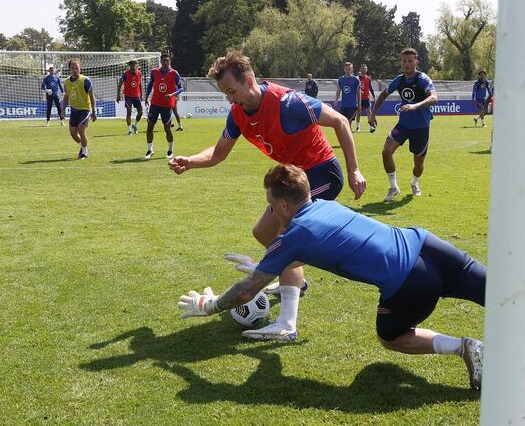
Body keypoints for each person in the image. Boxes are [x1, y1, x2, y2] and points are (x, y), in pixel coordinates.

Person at [177, 164, 525, 390]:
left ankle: (462, 346)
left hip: (411, 281)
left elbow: (247, 290)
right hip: (433, 247)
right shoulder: (322, 205)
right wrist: (270, 264)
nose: (270, 212)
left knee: (391, 338)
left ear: (282, 204)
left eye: (270, 204)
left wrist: (210, 306)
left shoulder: (294, 232)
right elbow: (304, 250)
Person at [169, 50, 366, 341]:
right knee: (263, 232)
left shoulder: (288, 102)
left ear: (248, 80)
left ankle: (287, 324)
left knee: (286, 241)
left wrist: (354, 171)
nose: (230, 99)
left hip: (322, 174)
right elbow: (219, 153)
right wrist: (191, 161)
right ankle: (292, 277)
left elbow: (340, 121)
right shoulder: (238, 114)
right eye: (225, 94)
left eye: (232, 91)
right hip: (291, 181)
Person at [368, 48, 437, 202]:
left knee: (418, 165)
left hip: (421, 127)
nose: (407, 64)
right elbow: (384, 94)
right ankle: (393, 187)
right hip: (404, 125)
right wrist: (372, 114)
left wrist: (415, 106)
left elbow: (434, 98)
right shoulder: (399, 80)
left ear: (416, 62)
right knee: (386, 152)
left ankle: (414, 183)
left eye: (410, 61)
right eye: (404, 61)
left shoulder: (423, 79)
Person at [144, 53, 182, 159]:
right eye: (164, 60)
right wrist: (146, 97)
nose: (165, 62)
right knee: (150, 127)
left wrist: (172, 95)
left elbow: (180, 88)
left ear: (170, 61)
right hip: (155, 104)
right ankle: (149, 150)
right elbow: (150, 84)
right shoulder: (154, 72)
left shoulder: (174, 73)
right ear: (161, 61)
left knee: (167, 128)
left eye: (167, 60)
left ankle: (170, 150)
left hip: (167, 106)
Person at [60, 58, 97, 159]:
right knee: (73, 133)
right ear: (69, 70)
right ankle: (84, 146)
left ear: (80, 69)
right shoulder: (66, 81)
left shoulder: (85, 80)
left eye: (77, 68)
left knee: (81, 129)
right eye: (73, 68)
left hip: (85, 110)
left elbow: (92, 96)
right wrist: (62, 110)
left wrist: (94, 111)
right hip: (74, 110)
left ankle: (84, 153)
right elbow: (66, 96)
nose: (75, 70)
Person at [117, 60, 143, 135]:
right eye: (132, 65)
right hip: (128, 96)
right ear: (130, 66)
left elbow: (140, 84)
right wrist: (118, 95)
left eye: (135, 65)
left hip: (136, 96)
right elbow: (120, 84)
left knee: (140, 112)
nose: (134, 66)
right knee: (129, 112)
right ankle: (129, 130)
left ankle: (135, 125)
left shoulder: (139, 73)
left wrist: (141, 95)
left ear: (137, 65)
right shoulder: (125, 74)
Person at [335, 62, 361, 127]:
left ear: (352, 69)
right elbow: (338, 90)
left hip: (352, 106)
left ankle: (348, 136)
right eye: (346, 69)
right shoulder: (341, 79)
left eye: (349, 69)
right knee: (342, 123)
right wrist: (336, 100)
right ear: (344, 69)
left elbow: (358, 93)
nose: (348, 71)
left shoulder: (356, 80)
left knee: (348, 123)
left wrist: (359, 105)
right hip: (343, 105)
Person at [355, 64, 375, 132]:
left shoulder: (368, 78)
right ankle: (358, 127)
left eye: (365, 68)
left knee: (369, 112)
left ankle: (371, 127)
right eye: (363, 68)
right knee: (359, 113)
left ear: (367, 70)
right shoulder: (357, 78)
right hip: (359, 98)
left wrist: (374, 96)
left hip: (366, 98)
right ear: (360, 69)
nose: (364, 70)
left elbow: (371, 88)